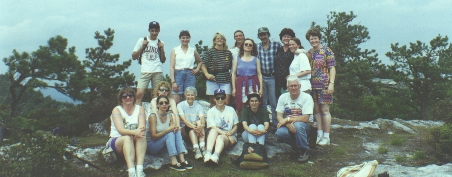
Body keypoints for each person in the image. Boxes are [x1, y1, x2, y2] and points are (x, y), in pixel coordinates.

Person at [305, 28, 336, 146]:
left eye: (315, 38)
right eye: (311, 39)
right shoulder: (310, 52)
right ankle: (319, 133)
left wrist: (332, 83)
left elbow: (332, 68)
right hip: (312, 85)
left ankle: (326, 136)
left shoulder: (327, 51)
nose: (313, 41)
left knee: (325, 110)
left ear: (319, 38)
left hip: (325, 84)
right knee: (316, 110)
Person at [108, 87, 147, 177]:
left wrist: (139, 130)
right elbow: (121, 130)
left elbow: (142, 125)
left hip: (134, 140)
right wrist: (135, 132)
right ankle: (131, 172)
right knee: (127, 138)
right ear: (121, 99)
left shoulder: (140, 109)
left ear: (134, 97)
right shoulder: (116, 110)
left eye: (130, 95)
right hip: (117, 141)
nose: (128, 98)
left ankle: (139, 170)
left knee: (142, 136)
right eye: (124, 96)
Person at [146, 95, 192, 171]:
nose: (164, 104)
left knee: (175, 131)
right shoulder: (153, 116)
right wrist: (169, 130)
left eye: (166, 103)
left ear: (168, 105)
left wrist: (174, 128)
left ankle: (182, 160)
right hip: (152, 145)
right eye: (161, 103)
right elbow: (153, 136)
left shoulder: (170, 115)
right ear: (157, 105)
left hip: (162, 145)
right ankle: (173, 162)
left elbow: (172, 131)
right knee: (170, 133)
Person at [275, 75, 314, 163]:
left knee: (297, 125)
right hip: (289, 125)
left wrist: (287, 119)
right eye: (291, 86)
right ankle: (297, 147)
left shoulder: (307, 97)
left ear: (299, 86)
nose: (293, 88)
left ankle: (304, 150)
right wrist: (287, 124)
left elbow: (305, 118)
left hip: (304, 126)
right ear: (287, 87)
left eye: (295, 85)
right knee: (279, 132)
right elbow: (279, 116)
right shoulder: (283, 97)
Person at [132, 21, 166, 106]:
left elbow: (163, 60)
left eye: (156, 30)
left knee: (156, 95)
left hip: (157, 71)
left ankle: (154, 113)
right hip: (145, 71)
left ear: (159, 31)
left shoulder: (160, 42)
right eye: (152, 30)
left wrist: (162, 49)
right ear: (149, 30)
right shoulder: (142, 40)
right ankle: (138, 114)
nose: (154, 33)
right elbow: (134, 56)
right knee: (139, 94)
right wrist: (143, 46)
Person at [204, 89, 239, 164]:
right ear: (214, 99)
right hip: (215, 134)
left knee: (220, 137)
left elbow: (236, 125)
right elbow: (213, 127)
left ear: (225, 98)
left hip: (227, 136)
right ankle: (208, 153)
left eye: (222, 97)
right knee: (213, 131)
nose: (220, 100)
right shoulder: (211, 111)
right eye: (217, 98)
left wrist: (230, 134)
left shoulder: (231, 109)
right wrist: (227, 134)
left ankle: (216, 156)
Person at [256, 27, 281, 130]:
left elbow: (286, 52)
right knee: (263, 103)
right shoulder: (257, 47)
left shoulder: (276, 45)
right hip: (261, 77)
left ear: (268, 34)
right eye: (261, 35)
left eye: (264, 34)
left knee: (274, 102)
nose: (263, 37)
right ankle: (264, 124)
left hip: (273, 77)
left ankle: (276, 125)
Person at [169, 30, 203, 104]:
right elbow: (172, 67)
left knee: (188, 98)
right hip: (178, 74)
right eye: (183, 38)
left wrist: (197, 69)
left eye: (187, 38)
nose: (185, 40)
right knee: (176, 100)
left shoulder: (193, 50)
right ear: (180, 39)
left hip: (190, 74)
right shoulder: (175, 50)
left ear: (189, 39)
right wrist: (173, 81)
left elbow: (200, 61)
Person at [201, 32, 234, 107]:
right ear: (214, 41)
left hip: (225, 79)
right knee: (213, 102)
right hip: (213, 79)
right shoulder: (210, 52)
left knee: (226, 102)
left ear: (224, 40)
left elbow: (231, 67)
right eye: (217, 38)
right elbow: (203, 65)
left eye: (221, 38)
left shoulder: (228, 53)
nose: (219, 40)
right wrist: (206, 74)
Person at [231, 38, 263, 113]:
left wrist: (261, 88)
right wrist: (234, 88)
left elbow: (259, 74)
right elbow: (234, 74)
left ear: (252, 47)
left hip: (253, 84)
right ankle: (238, 123)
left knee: (254, 105)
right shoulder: (237, 59)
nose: (248, 46)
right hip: (241, 84)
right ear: (243, 46)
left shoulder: (256, 59)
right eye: (246, 44)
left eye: (250, 45)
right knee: (240, 105)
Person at [177, 87, 206, 160]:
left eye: (192, 95)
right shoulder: (180, 105)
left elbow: (202, 117)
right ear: (185, 96)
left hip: (196, 130)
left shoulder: (198, 106)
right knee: (192, 125)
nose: (190, 97)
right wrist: (194, 126)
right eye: (188, 95)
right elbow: (183, 119)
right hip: (185, 129)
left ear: (195, 96)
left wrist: (201, 125)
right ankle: (196, 149)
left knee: (199, 122)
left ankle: (202, 147)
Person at [274, 28, 296, 100]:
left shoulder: (294, 50)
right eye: (284, 36)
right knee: (279, 100)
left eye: (288, 37)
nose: (286, 38)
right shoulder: (279, 49)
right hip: (278, 80)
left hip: (290, 79)